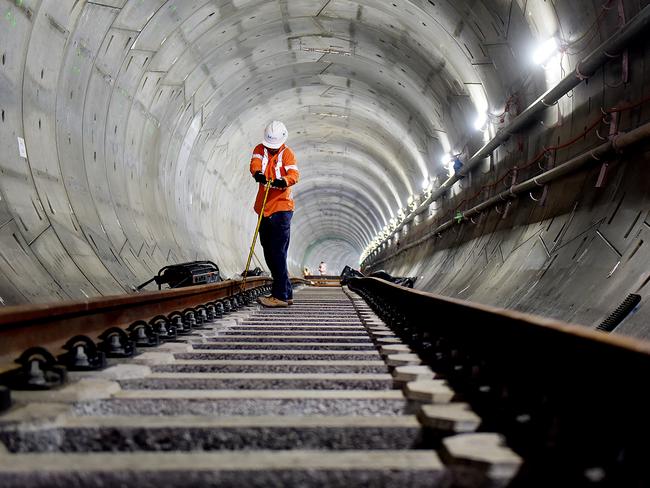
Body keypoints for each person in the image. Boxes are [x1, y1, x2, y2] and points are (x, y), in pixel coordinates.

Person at [250, 121, 300, 308]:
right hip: (264, 207)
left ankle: (279, 295)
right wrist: (258, 174)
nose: (271, 150)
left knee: (278, 252)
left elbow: (294, 175)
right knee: (269, 251)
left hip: (282, 208)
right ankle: (286, 293)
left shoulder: (287, 153)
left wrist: (283, 181)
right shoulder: (259, 149)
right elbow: (255, 164)